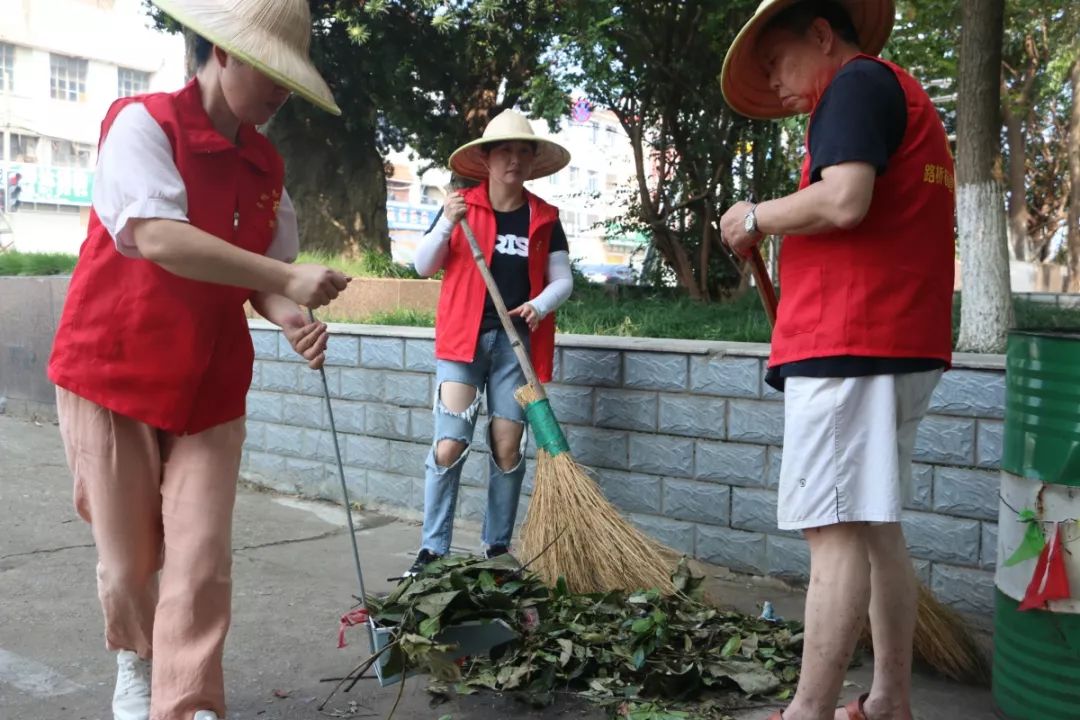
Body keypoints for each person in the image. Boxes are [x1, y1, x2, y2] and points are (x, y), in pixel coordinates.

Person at [46, 1, 348, 718]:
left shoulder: (267, 167)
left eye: (290, 80)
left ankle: (186, 702)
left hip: (210, 388)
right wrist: (282, 280)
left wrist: (294, 319)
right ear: (220, 52)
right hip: (112, 371)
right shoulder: (142, 125)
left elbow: (263, 281)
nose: (280, 92)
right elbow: (157, 236)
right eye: (270, 72)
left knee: (201, 559)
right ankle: (136, 662)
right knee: (129, 565)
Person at [718, 2, 955, 719]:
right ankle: (887, 701)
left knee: (836, 525)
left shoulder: (854, 84)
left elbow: (846, 201)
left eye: (778, 61)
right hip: (895, 339)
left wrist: (754, 215)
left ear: (821, 35)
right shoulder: (891, 93)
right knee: (874, 523)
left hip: (855, 340)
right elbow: (851, 207)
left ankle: (808, 711)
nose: (775, 82)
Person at [405, 109, 574, 576]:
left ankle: (496, 546)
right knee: (449, 445)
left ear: (534, 160)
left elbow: (563, 280)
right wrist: (446, 224)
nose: (514, 160)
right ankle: (433, 548)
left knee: (507, 447)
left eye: (523, 151)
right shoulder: (462, 207)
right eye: (505, 150)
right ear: (486, 158)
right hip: (463, 342)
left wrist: (538, 305)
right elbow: (421, 265)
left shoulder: (543, 217)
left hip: (515, 346)